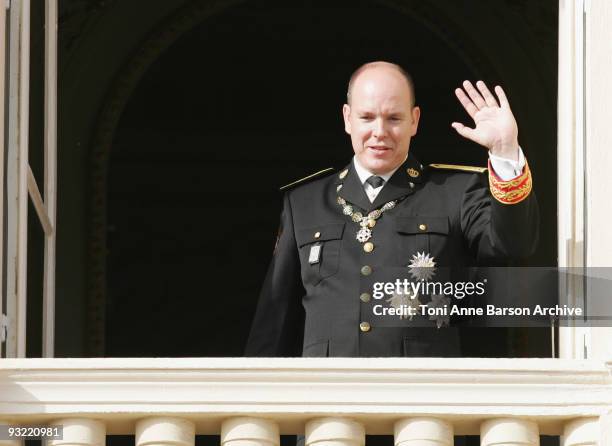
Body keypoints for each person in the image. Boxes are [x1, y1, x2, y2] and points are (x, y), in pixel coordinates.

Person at [245, 61, 539, 358]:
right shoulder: (304, 203)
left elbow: (513, 243)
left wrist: (504, 152)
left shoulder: (454, 192)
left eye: (394, 118)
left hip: (420, 396)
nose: (379, 132)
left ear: (415, 120)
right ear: (348, 119)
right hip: (329, 395)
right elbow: (275, 320)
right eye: (367, 117)